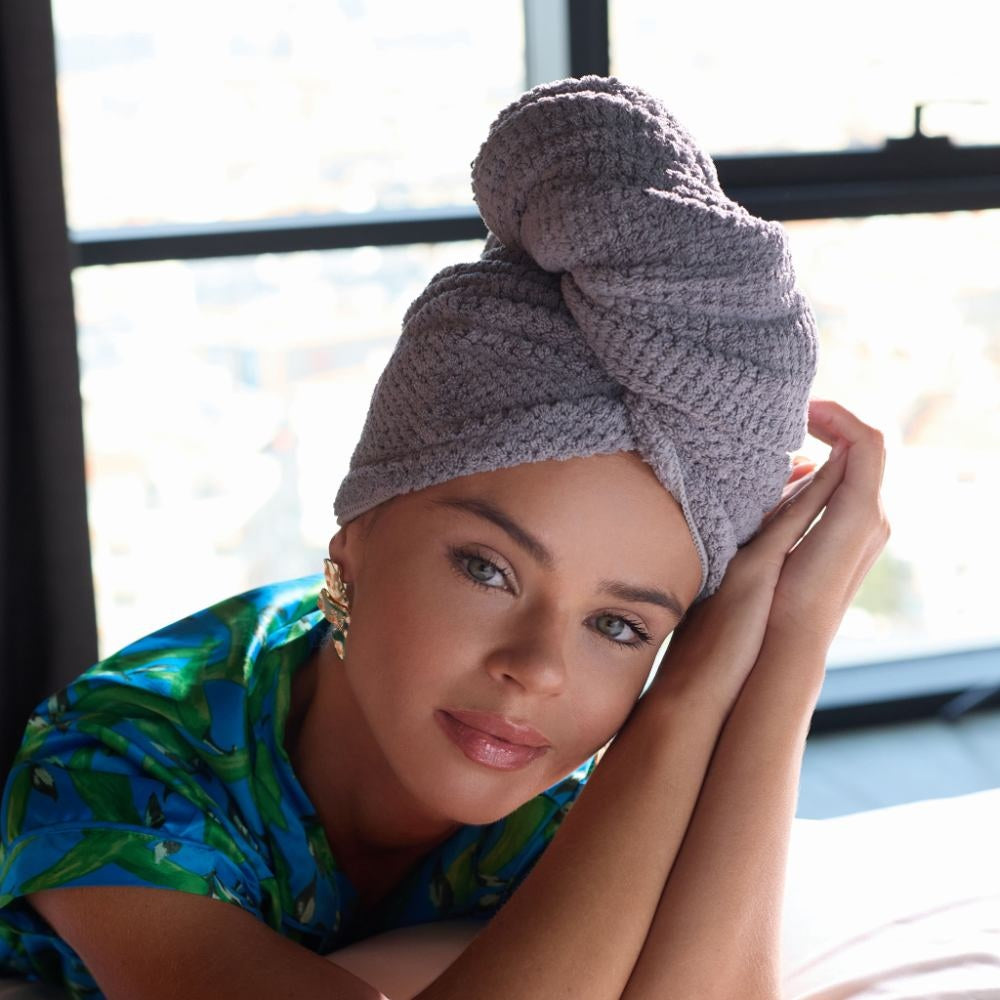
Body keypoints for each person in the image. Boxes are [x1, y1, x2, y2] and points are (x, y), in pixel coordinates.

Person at [0, 76, 888, 1000]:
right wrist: (679, 716)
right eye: (488, 570)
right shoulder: (121, 757)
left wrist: (780, 656)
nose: (536, 671)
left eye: (620, 626)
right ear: (352, 540)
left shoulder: (572, 796)